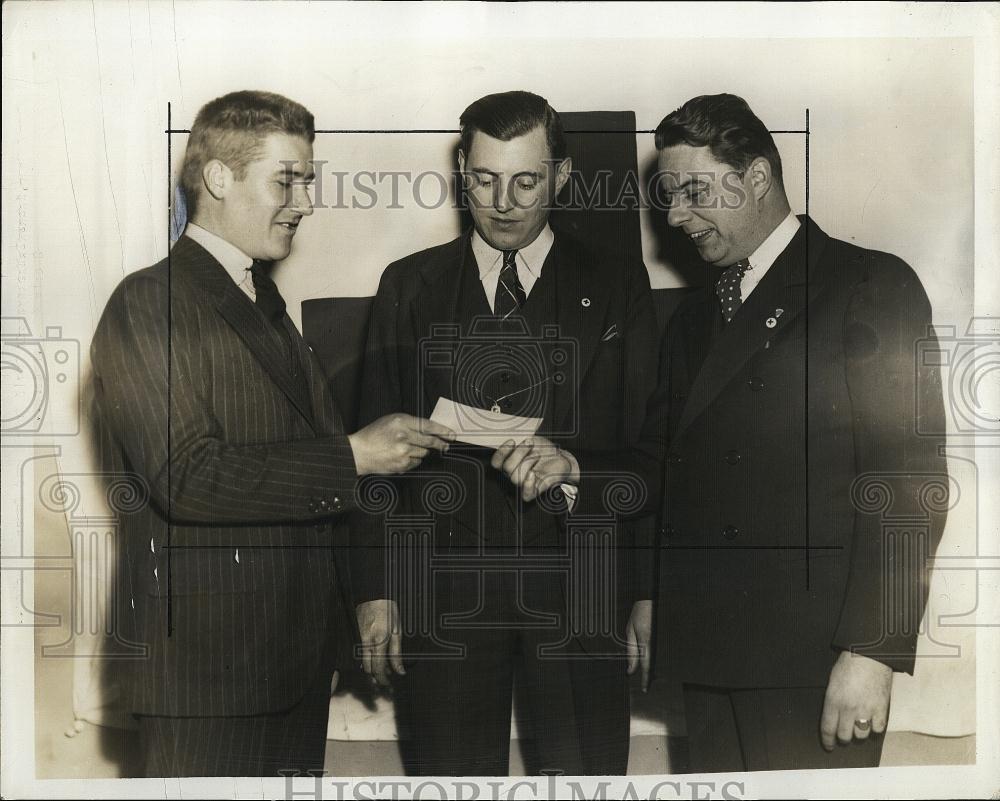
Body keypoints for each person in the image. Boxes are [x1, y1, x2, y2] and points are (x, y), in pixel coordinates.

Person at [90, 89, 454, 778]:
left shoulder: (261, 299)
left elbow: (298, 462)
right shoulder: (149, 302)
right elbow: (185, 474)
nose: (306, 201)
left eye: (308, 180)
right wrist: (355, 452)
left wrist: (366, 594)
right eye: (287, 179)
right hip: (207, 681)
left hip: (288, 667)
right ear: (219, 178)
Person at [351, 90, 666, 775]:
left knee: (585, 780)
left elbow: (647, 450)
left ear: (561, 175)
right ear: (463, 170)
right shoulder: (408, 286)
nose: (504, 201)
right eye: (486, 179)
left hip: (583, 592)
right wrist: (375, 589)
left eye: (526, 180)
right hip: (441, 596)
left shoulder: (617, 284)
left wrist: (647, 590)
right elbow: (373, 464)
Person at [652, 93, 949, 771]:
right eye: (668, 195)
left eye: (694, 191)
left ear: (757, 177)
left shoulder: (869, 283)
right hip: (706, 656)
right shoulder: (692, 321)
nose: (674, 216)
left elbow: (909, 485)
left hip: (815, 665)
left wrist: (873, 650)